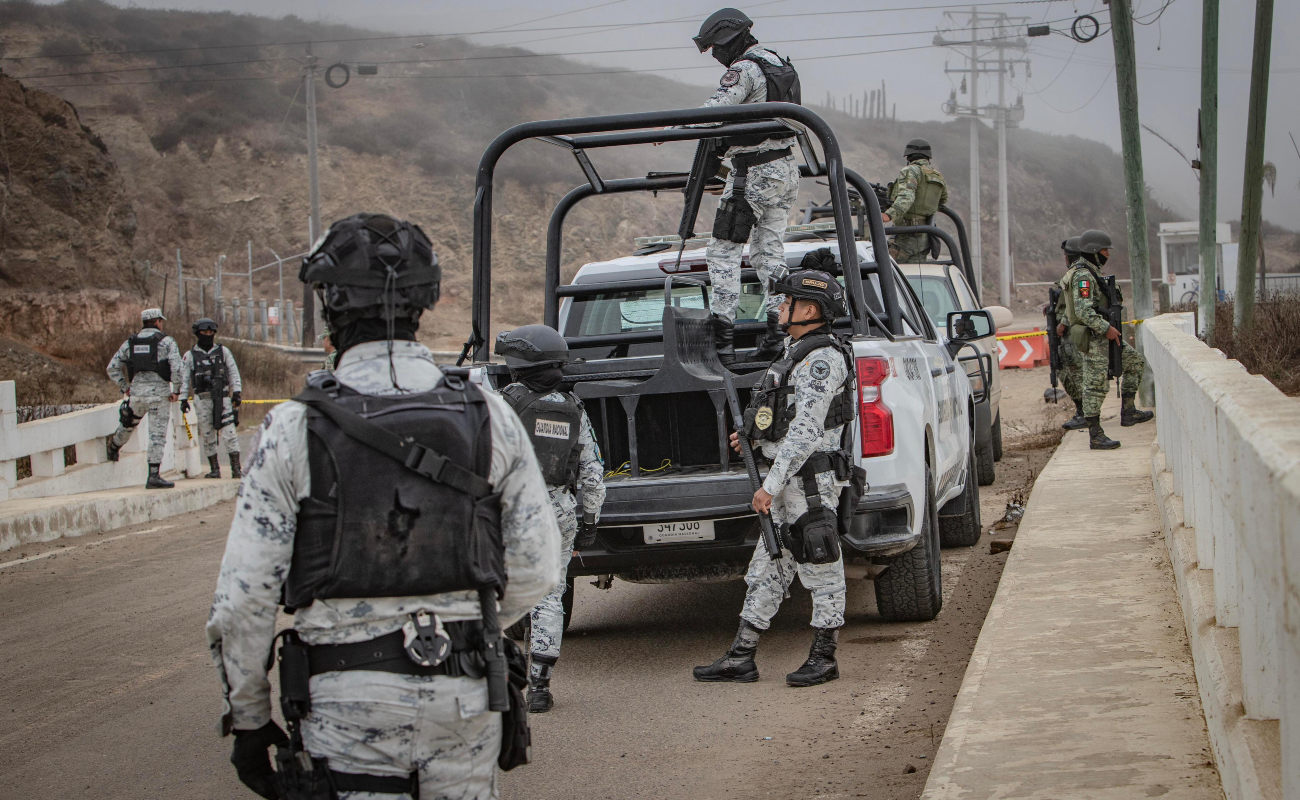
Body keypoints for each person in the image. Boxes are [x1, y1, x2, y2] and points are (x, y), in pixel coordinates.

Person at [207, 213, 561, 799]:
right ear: (425, 300)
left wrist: (247, 721)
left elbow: (242, 605)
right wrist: (465, 626)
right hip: (465, 693)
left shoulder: (291, 428)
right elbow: (537, 566)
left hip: (346, 702)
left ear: (330, 306)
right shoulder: (487, 414)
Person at [694, 264, 855, 687]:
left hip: (809, 480)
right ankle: (741, 655)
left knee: (821, 562)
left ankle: (825, 656)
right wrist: (754, 439)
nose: (780, 307)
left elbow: (806, 430)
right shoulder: (794, 351)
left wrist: (769, 484)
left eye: (788, 301)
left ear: (812, 309)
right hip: (788, 477)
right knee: (769, 564)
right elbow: (781, 417)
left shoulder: (823, 358)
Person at [493, 324, 605, 714]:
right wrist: (589, 519)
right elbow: (592, 471)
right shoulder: (572, 408)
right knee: (549, 597)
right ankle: (539, 686)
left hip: (507, 511)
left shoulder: (500, 404)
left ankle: (494, 680)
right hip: (557, 512)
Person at [694, 7, 802, 364]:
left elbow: (713, 110)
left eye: (715, 48)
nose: (716, 56)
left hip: (752, 173)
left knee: (723, 250)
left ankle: (722, 342)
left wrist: (670, 130)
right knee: (768, 253)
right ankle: (777, 334)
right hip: (784, 170)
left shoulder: (745, 69)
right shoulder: (778, 63)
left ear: (728, 40)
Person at [1060, 229, 1154, 451]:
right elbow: (1082, 311)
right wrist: (1106, 328)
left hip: (1104, 337)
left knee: (1134, 362)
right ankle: (1095, 435)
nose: (1107, 255)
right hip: (1095, 338)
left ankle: (1129, 411)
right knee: (1096, 386)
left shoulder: (1090, 272)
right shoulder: (1083, 275)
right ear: (1093, 251)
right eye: (1104, 250)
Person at [105, 307, 183, 488]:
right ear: (157, 322)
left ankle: (114, 447)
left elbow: (112, 367)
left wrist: (125, 387)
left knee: (128, 423)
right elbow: (178, 368)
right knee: (157, 435)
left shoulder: (130, 343)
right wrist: (177, 390)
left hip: (137, 394)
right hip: (159, 395)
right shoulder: (167, 342)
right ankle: (153, 476)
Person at [179, 318, 243, 479]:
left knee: (230, 433)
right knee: (207, 435)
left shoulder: (223, 352)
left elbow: (233, 372)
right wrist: (183, 398)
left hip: (223, 398)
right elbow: (184, 378)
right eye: (204, 333)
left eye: (210, 332)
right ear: (197, 334)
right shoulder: (190, 356)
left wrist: (237, 392)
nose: (208, 335)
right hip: (202, 399)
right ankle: (215, 469)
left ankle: (236, 468)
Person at [882, 138, 949, 263]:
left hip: (906, 234)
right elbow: (943, 199)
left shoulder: (910, 170)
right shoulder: (937, 175)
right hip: (925, 236)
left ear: (908, 157)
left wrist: (888, 214)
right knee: (916, 277)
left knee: (892, 274)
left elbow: (907, 197)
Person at [1053, 236, 1088, 431]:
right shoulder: (1076, 274)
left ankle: (1085, 413)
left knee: (1074, 373)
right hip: (1071, 331)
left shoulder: (1079, 274)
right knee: (1067, 371)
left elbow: (1078, 302)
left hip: (1073, 332)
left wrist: (1063, 323)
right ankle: (1083, 411)